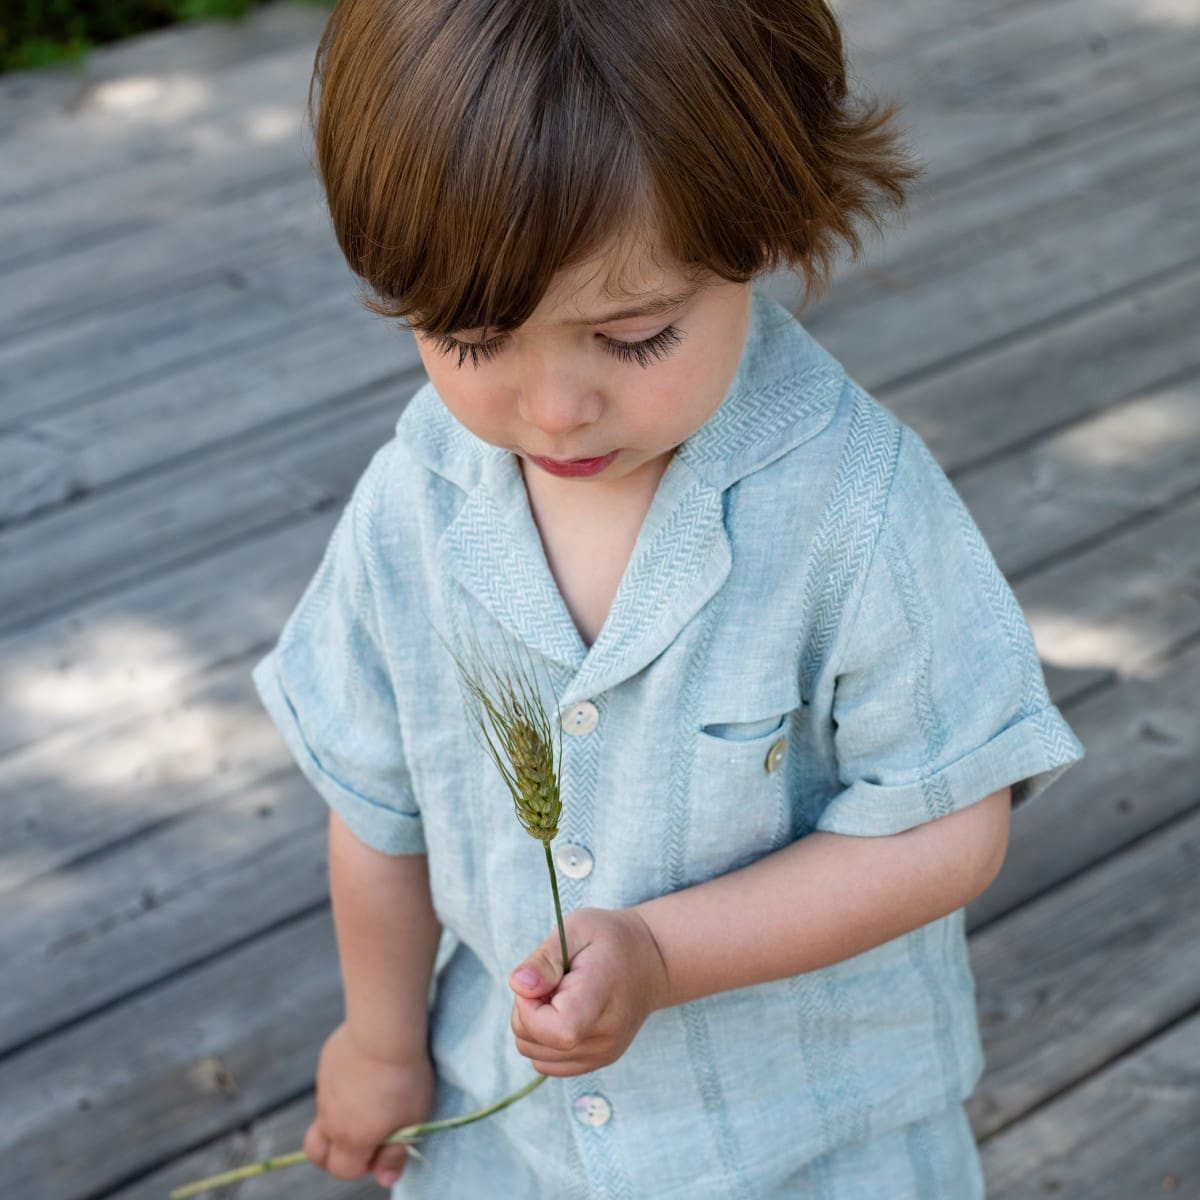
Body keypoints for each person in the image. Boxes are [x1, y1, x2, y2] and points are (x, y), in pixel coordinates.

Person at [250, 1, 1087, 1196]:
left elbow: (950, 818)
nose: (553, 408)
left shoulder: (854, 507)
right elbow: (375, 802)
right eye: (476, 340)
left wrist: (659, 952)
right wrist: (382, 1042)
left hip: (810, 1141)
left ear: (765, 225)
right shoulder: (417, 497)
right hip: (509, 1134)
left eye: (632, 336)